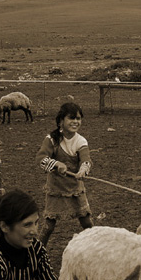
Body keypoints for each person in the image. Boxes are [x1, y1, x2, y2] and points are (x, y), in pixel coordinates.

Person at [35, 102, 94, 245]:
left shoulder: (80, 141)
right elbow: (40, 159)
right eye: (71, 118)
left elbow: (86, 159)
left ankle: (95, 247)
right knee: (49, 225)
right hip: (56, 187)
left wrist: (83, 170)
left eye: (78, 118)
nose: (75, 122)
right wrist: (56, 164)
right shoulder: (51, 139)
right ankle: (37, 252)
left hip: (75, 187)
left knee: (86, 222)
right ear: (61, 121)